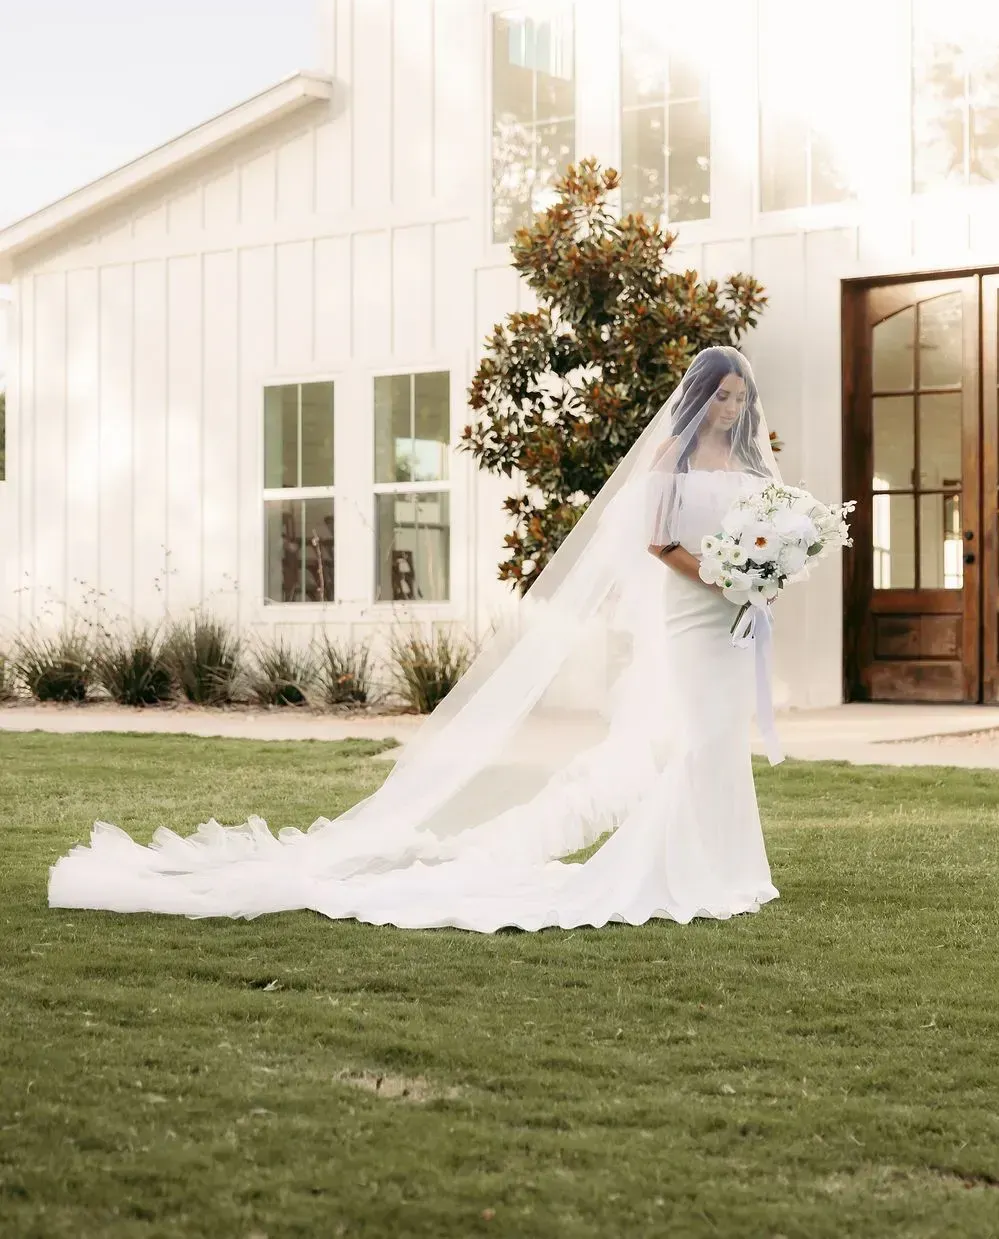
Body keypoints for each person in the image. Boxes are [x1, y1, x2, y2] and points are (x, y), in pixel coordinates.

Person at [49, 347, 784, 931]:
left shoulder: (746, 463)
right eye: (721, 395)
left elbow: (757, 532)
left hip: (731, 620)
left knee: (723, 740)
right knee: (697, 740)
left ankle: (729, 864)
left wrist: (763, 569)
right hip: (692, 614)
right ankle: (676, 865)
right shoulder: (671, 460)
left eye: (739, 397)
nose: (731, 407)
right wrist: (720, 576)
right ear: (699, 396)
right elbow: (659, 543)